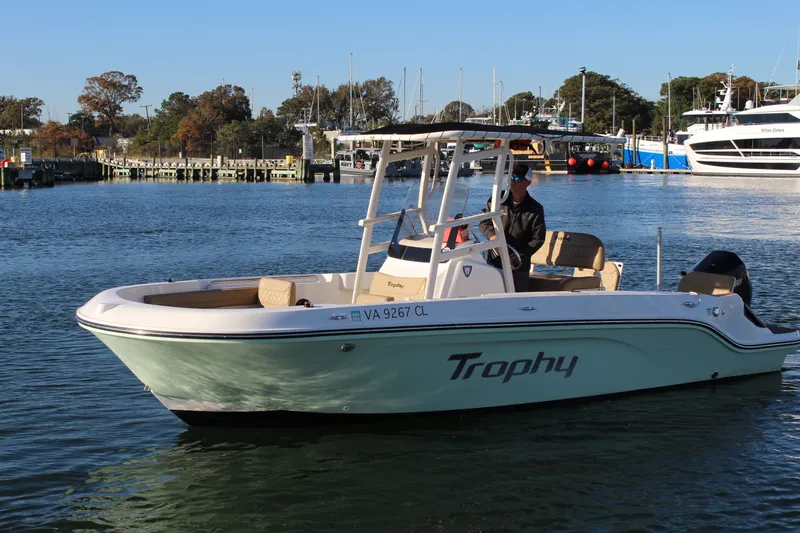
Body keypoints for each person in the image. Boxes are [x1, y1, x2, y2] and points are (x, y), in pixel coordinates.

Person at [479, 164, 546, 292]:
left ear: (528, 183)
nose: (513, 182)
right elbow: (484, 221)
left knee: (517, 298)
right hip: (495, 260)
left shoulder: (536, 209)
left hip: (519, 266)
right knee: (491, 294)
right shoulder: (497, 200)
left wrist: (519, 256)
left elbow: (538, 239)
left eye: (517, 180)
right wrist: (492, 236)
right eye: (511, 178)